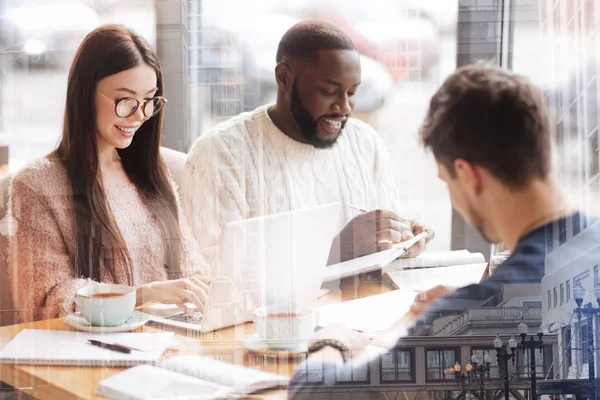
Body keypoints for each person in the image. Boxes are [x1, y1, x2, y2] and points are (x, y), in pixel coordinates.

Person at [288, 62, 594, 397]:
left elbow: (315, 394)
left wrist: (331, 342)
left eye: (446, 181)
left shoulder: (472, 315)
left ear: (467, 175)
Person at [183, 20, 432, 274]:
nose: (344, 107)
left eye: (352, 92)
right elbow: (216, 278)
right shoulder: (221, 153)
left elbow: (381, 249)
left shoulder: (365, 143)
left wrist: (401, 240)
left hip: (363, 307)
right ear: (284, 78)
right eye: (328, 91)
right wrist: (336, 251)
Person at [7, 25, 210, 323]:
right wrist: (146, 294)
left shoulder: (153, 173)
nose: (140, 115)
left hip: (168, 343)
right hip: (93, 355)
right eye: (125, 100)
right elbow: (48, 302)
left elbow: (194, 269)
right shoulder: (36, 185)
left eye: (150, 100)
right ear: (85, 94)